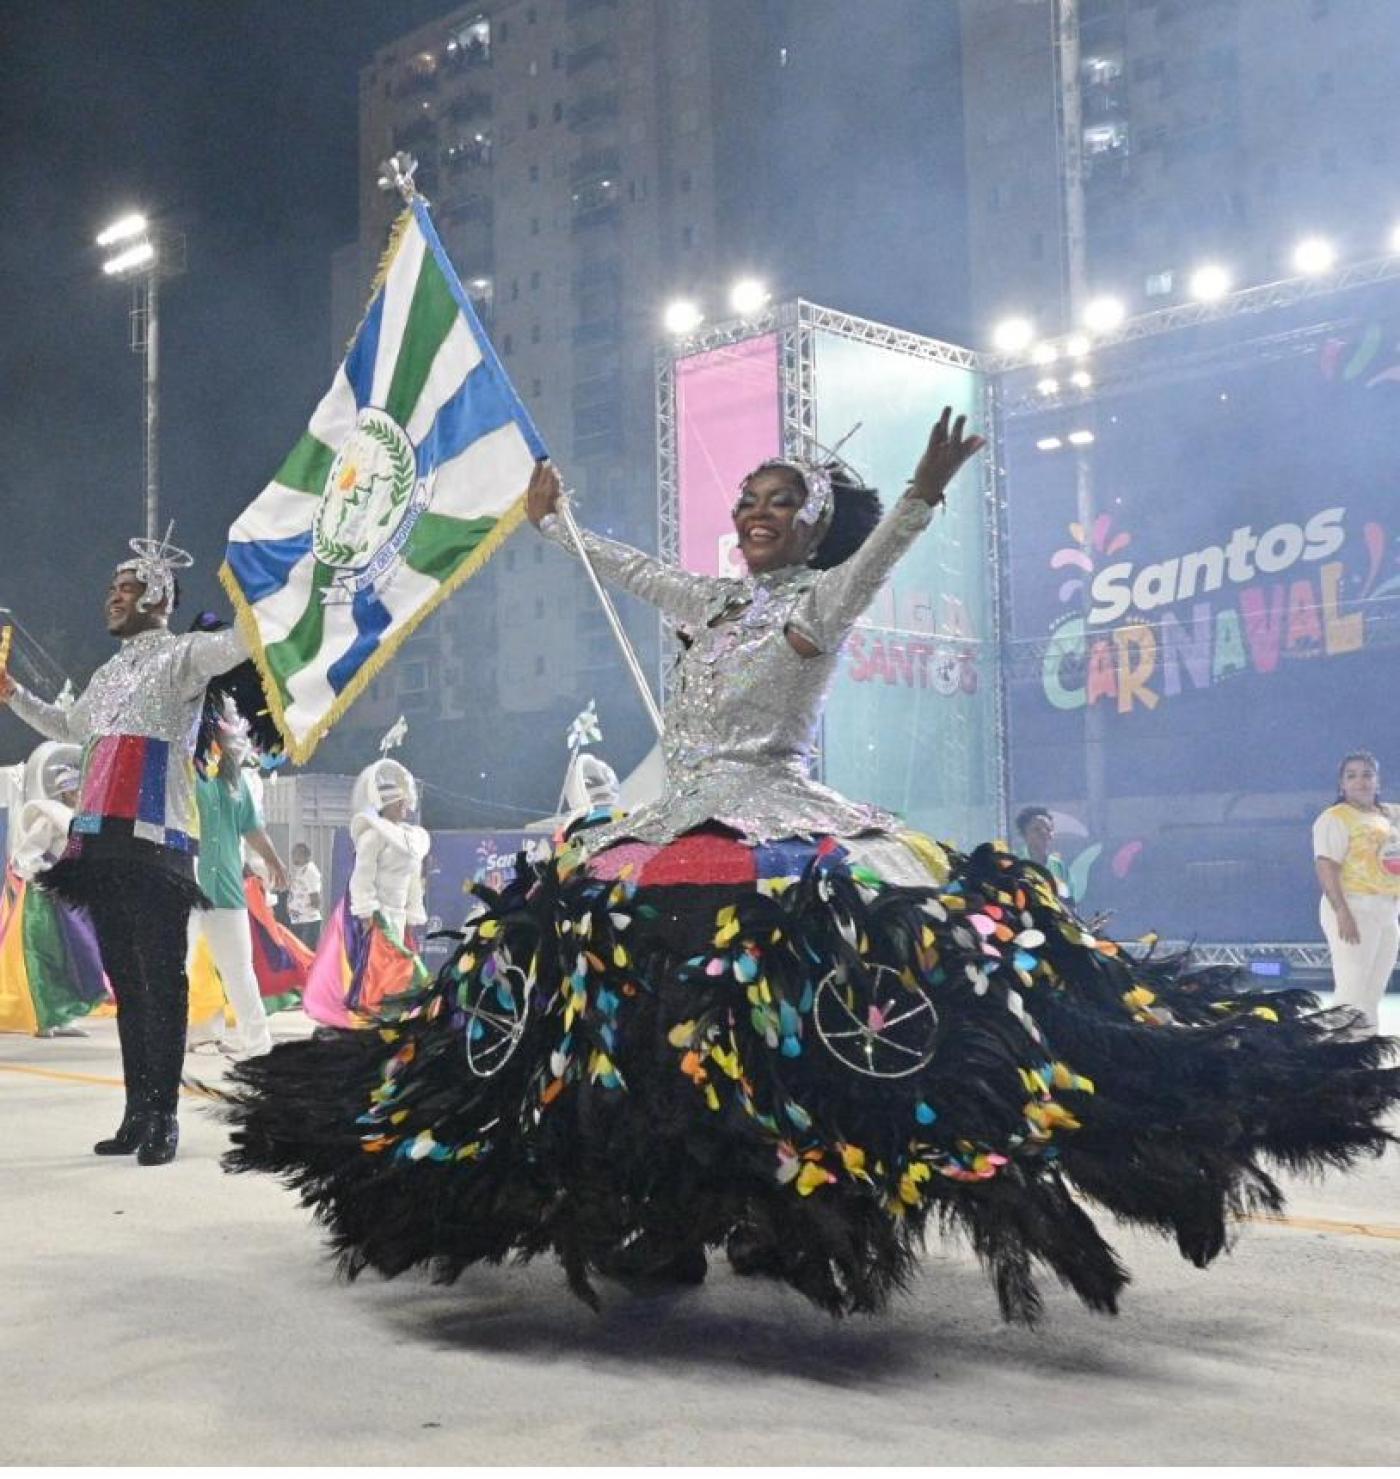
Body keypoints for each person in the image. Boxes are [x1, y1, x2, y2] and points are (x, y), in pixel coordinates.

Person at [225, 411, 1400, 1322]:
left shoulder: (819, 600)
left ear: (811, 521)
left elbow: (879, 559)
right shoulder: (717, 603)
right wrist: (553, 524)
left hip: (770, 843)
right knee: (646, 1041)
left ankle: (777, 1215)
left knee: (772, 1046)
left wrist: (927, 493)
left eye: (776, 503)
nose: (752, 514)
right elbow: (631, 573)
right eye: (744, 500)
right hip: (654, 846)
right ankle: (666, 1215)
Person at [0, 534, 251, 1165]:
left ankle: (164, 1115)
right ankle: (136, 1111)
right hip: (100, 844)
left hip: (158, 842)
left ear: (159, 597)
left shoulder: (184, 657)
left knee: (161, 981)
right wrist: (11, 696)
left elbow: (242, 644)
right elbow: (73, 728)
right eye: (111, 590)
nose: (112, 599)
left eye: (126, 589)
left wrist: (262, 599)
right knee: (129, 986)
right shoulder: (107, 673)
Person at [183, 699, 289, 1060]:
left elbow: (252, 828)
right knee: (175, 968)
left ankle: (258, 1048)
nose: (232, 740)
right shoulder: (186, 772)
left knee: (240, 970)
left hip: (227, 885)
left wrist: (275, 861)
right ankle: (167, 1043)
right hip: (186, 884)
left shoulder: (238, 780)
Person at [300, 759, 430, 1027]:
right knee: (385, 963)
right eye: (402, 802)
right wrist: (366, 910)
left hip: (399, 912)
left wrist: (414, 908)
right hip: (380, 911)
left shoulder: (410, 837)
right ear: (393, 804)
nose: (406, 807)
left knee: (395, 963)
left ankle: (393, 1009)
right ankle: (377, 1010)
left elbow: (413, 879)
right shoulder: (373, 836)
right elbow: (362, 878)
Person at [0, 742, 108, 1036]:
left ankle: (63, 1015)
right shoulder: (50, 816)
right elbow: (25, 854)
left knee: (76, 955)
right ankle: (45, 1019)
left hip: (74, 899)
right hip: (47, 896)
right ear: (63, 791)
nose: (77, 794)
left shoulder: (85, 819)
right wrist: (43, 875)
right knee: (46, 954)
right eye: (72, 790)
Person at [1314, 751, 1400, 1031]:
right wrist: (1343, 913)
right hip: (1353, 906)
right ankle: (1332, 1058)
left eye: (1367, 774)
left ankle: (1364, 1055)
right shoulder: (1335, 818)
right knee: (1351, 993)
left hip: (1387, 909)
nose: (1360, 781)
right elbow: (1327, 865)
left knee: (1372, 994)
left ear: (1378, 781)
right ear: (1341, 784)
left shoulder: (1388, 815)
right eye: (1352, 776)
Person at [1014, 806, 1074, 904]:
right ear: (1024, 835)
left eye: (1048, 829)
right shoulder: (1015, 863)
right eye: (1036, 829)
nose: (1043, 833)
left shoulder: (1059, 867)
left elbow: (1069, 900)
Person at [286, 842, 323, 950]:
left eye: (295, 853)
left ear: (304, 855)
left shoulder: (310, 871)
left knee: (306, 953)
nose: (292, 856)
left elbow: (315, 896)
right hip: (298, 920)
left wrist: (304, 909)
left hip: (308, 920)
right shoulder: (301, 870)